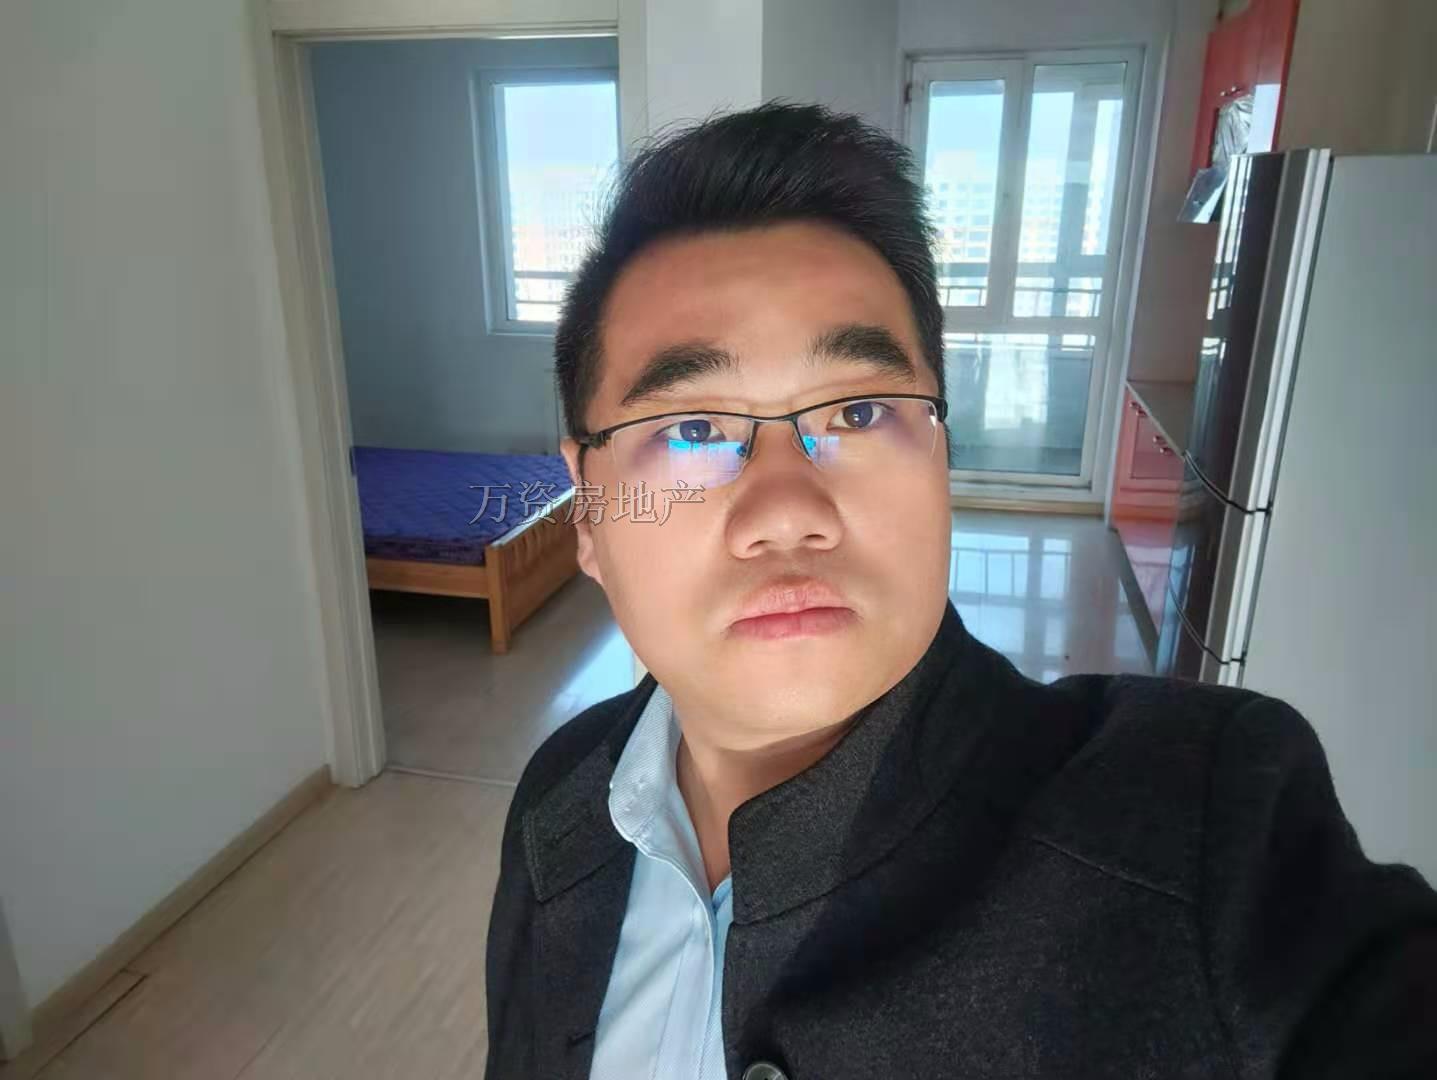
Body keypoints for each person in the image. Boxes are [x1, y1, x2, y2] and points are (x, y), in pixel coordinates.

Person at [482, 103, 1437, 1079]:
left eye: (858, 411)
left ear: (941, 458)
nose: (787, 510)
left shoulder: (1199, 829)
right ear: (589, 514)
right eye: (690, 430)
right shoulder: (561, 799)